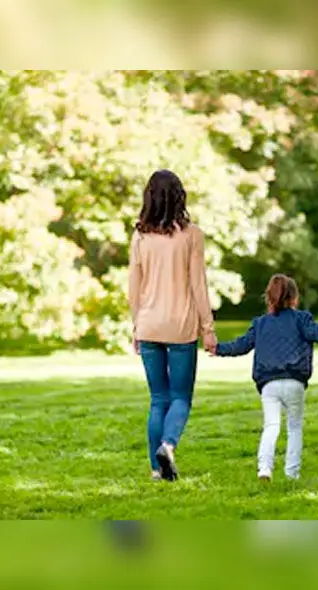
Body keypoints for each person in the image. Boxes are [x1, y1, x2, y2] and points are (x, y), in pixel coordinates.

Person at [212, 274, 318, 481]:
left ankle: (265, 469)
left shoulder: (260, 324)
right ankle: (291, 474)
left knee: (271, 426)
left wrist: (217, 348)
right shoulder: (302, 319)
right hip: (295, 382)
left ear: (268, 297)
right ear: (294, 298)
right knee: (294, 427)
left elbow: (240, 346)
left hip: (268, 383)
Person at [127, 170, 218, 482]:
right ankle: (167, 445)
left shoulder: (139, 236)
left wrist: (136, 326)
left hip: (149, 325)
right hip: (180, 327)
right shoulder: (192, 235)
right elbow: (198, 285)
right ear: (180, 197)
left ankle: (156, 470)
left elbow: (133, 288)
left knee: (158, 399)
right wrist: (208, 328)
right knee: (180, 397)